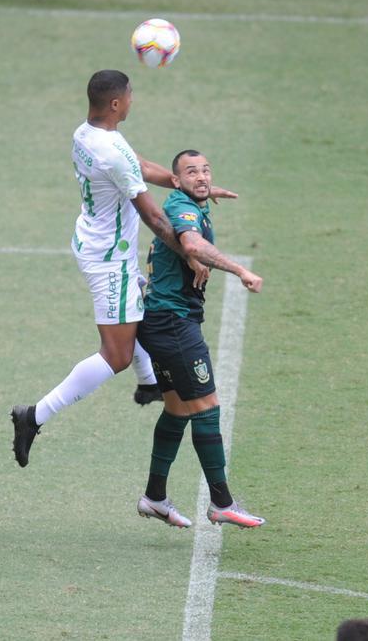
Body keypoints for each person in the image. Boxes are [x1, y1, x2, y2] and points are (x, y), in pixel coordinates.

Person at [10, 70, 242, 468]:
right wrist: (189, 253)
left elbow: (142, 165)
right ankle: (33, 416)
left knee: (140, 307)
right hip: (109, 259)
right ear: (116, 103)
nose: (133, 101)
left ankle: (150, 382)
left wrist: (191, 187)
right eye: (130, 96)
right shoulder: (109, 151)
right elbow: (152, 214)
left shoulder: (88, 134)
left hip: (96, 243)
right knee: (115, 354)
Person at [134, 150, 264, 529]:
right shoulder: (185, 210)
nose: (202, 176)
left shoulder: (188, 202)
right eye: (191, 172)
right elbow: (191, 244)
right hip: (174, 325)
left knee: (176, 410)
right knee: (207, 405)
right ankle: (221, 502)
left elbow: (184, 222)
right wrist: (240, 269)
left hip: (160, 322)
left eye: (206, 170)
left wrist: (205, 190)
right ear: (175, 180)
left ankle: (154, 497)